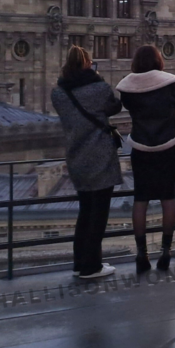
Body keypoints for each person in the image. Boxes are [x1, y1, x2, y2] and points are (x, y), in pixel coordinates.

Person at [51, 46, 123, 279]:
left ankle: (79, 262)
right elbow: (114, 106)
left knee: (85, 213)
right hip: (100, 156)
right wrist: (98, 77)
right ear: (87, 64)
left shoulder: (58, 94)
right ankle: (92, 266)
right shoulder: (99, 88)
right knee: (99, 214)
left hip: (76, 157)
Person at [117, 45, 175, 274]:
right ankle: (166, 251)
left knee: (141, 199)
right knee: (168, 197)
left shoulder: (128, 87)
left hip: (141, 146)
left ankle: (141, 254)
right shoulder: (169, 83)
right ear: (158, 60)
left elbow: (127, 106)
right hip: (168, 145)